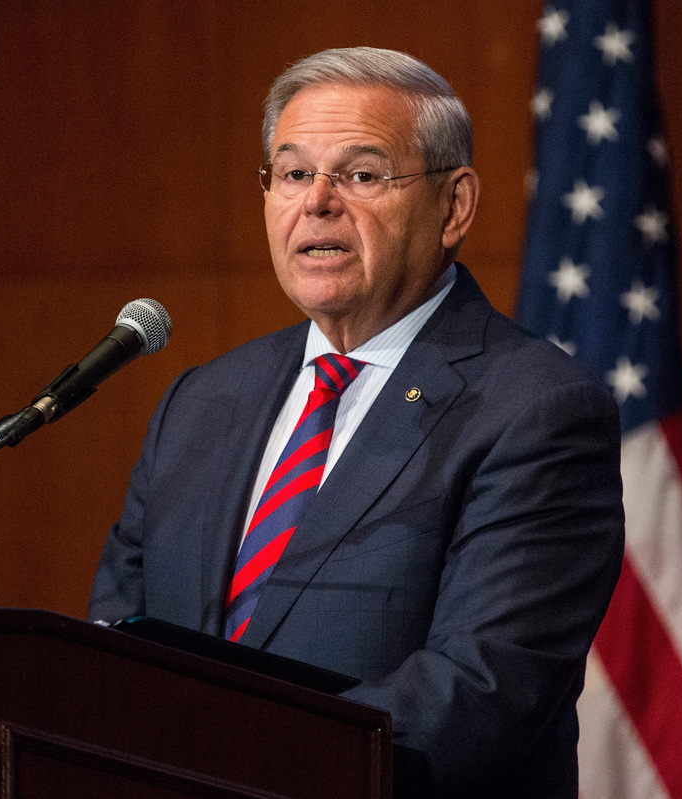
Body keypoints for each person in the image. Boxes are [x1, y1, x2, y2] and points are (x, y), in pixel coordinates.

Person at [90, 46, 624, 797]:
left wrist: (222, 766)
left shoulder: (536, 410)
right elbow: (115, 648)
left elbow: (476, 694)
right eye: (293, 173)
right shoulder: (200, 403)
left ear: (454, 206)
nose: (317, 202)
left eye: (363, 175)